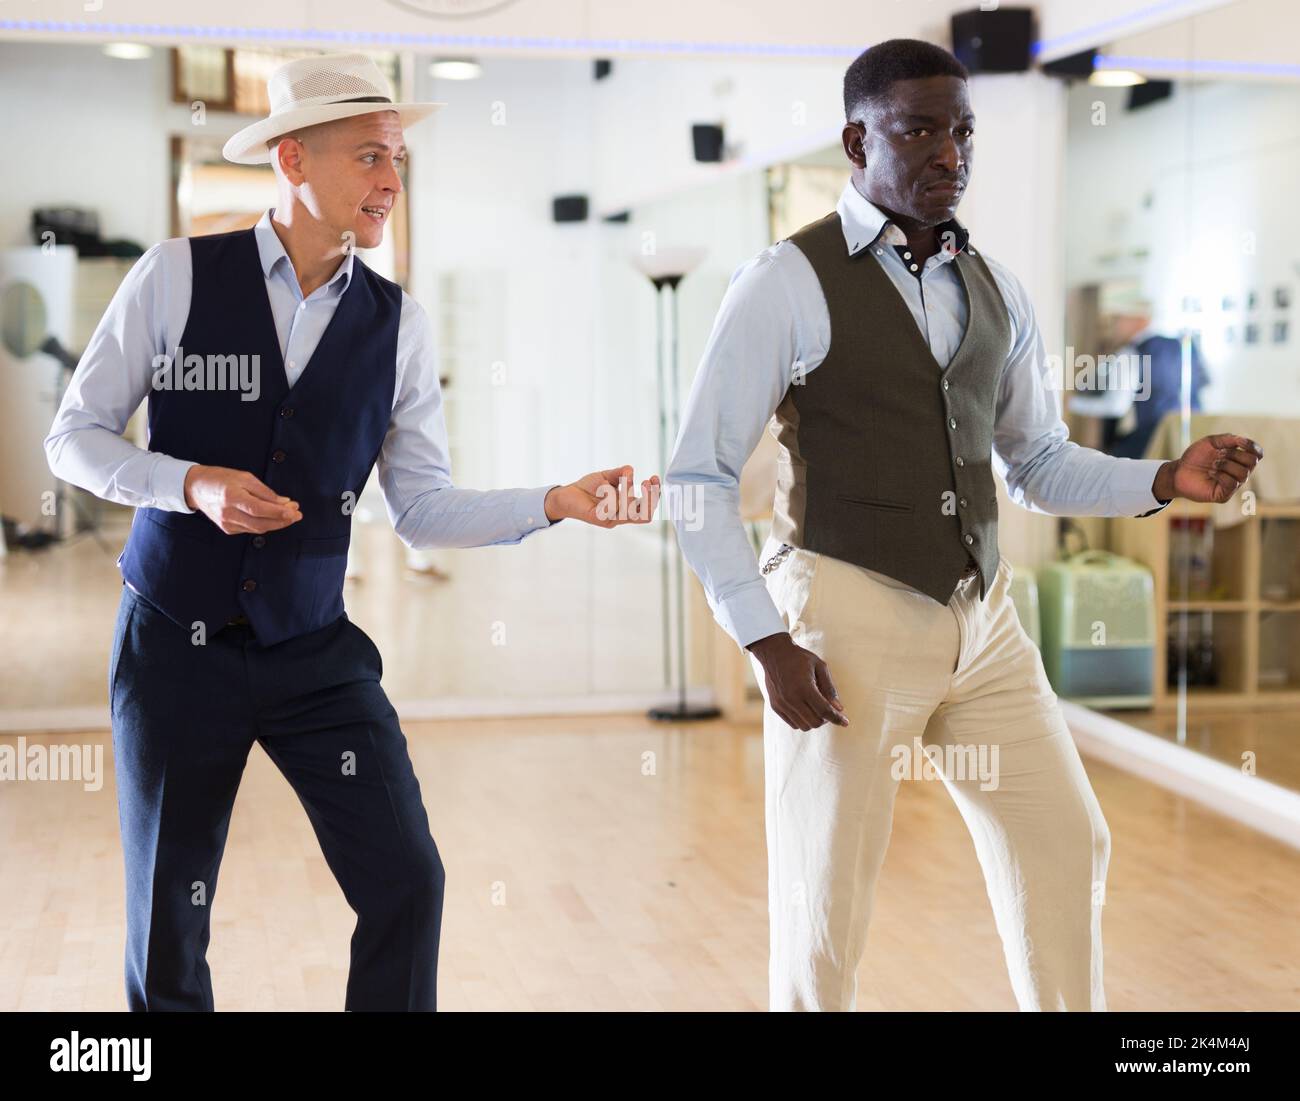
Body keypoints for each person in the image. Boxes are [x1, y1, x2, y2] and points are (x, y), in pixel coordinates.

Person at [44, 52, 658, 1012]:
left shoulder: (398, 325)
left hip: (313, 650)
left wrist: (555, 500)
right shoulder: (174, 276)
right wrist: (189, 483)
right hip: (176, 642)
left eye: (398, 161)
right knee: (169, 915)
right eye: (371, 156)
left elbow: (420, 509)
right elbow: (70, 439)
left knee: (408, 882)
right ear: (294, 160)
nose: (390, 182)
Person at [665, 38, 1261, 1011]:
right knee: (826, 903)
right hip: (845, 618)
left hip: (983, 621)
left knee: (1067, 841)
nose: (950, 153)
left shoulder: (995, 287)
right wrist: (764, 638)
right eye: (920, 129)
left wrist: (1165, 476)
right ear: (857, 139)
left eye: (963, 130)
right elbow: (696, 474)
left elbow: (1036, 465)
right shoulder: (784, 281)